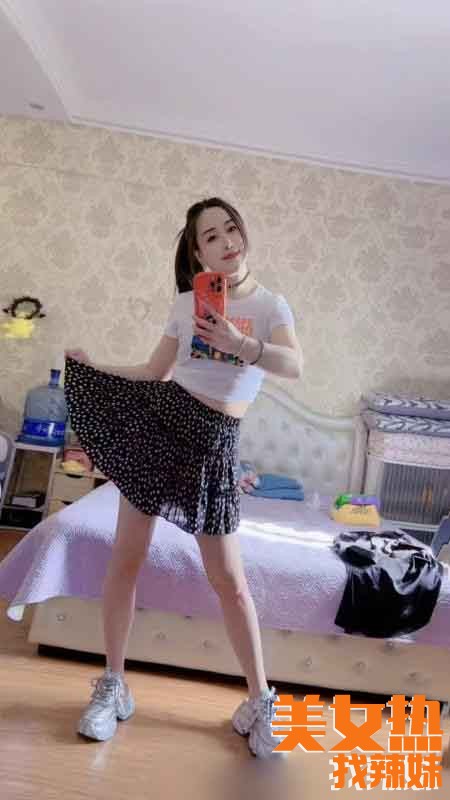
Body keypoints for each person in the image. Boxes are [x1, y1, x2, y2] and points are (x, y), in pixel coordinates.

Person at [64, 197, 303, 758]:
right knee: (126, 559)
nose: (226, 241)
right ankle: (113, 685)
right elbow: (154, 372)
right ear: (198, 253)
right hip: (162, 426)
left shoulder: (271, 305)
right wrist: (94, 367)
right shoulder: (185, 303)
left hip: (215, 445)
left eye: (231, 229)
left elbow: (294, 365)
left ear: (243, 233)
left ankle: (259, 700)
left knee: (231, 582)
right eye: (211, 236)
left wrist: (240, 344)